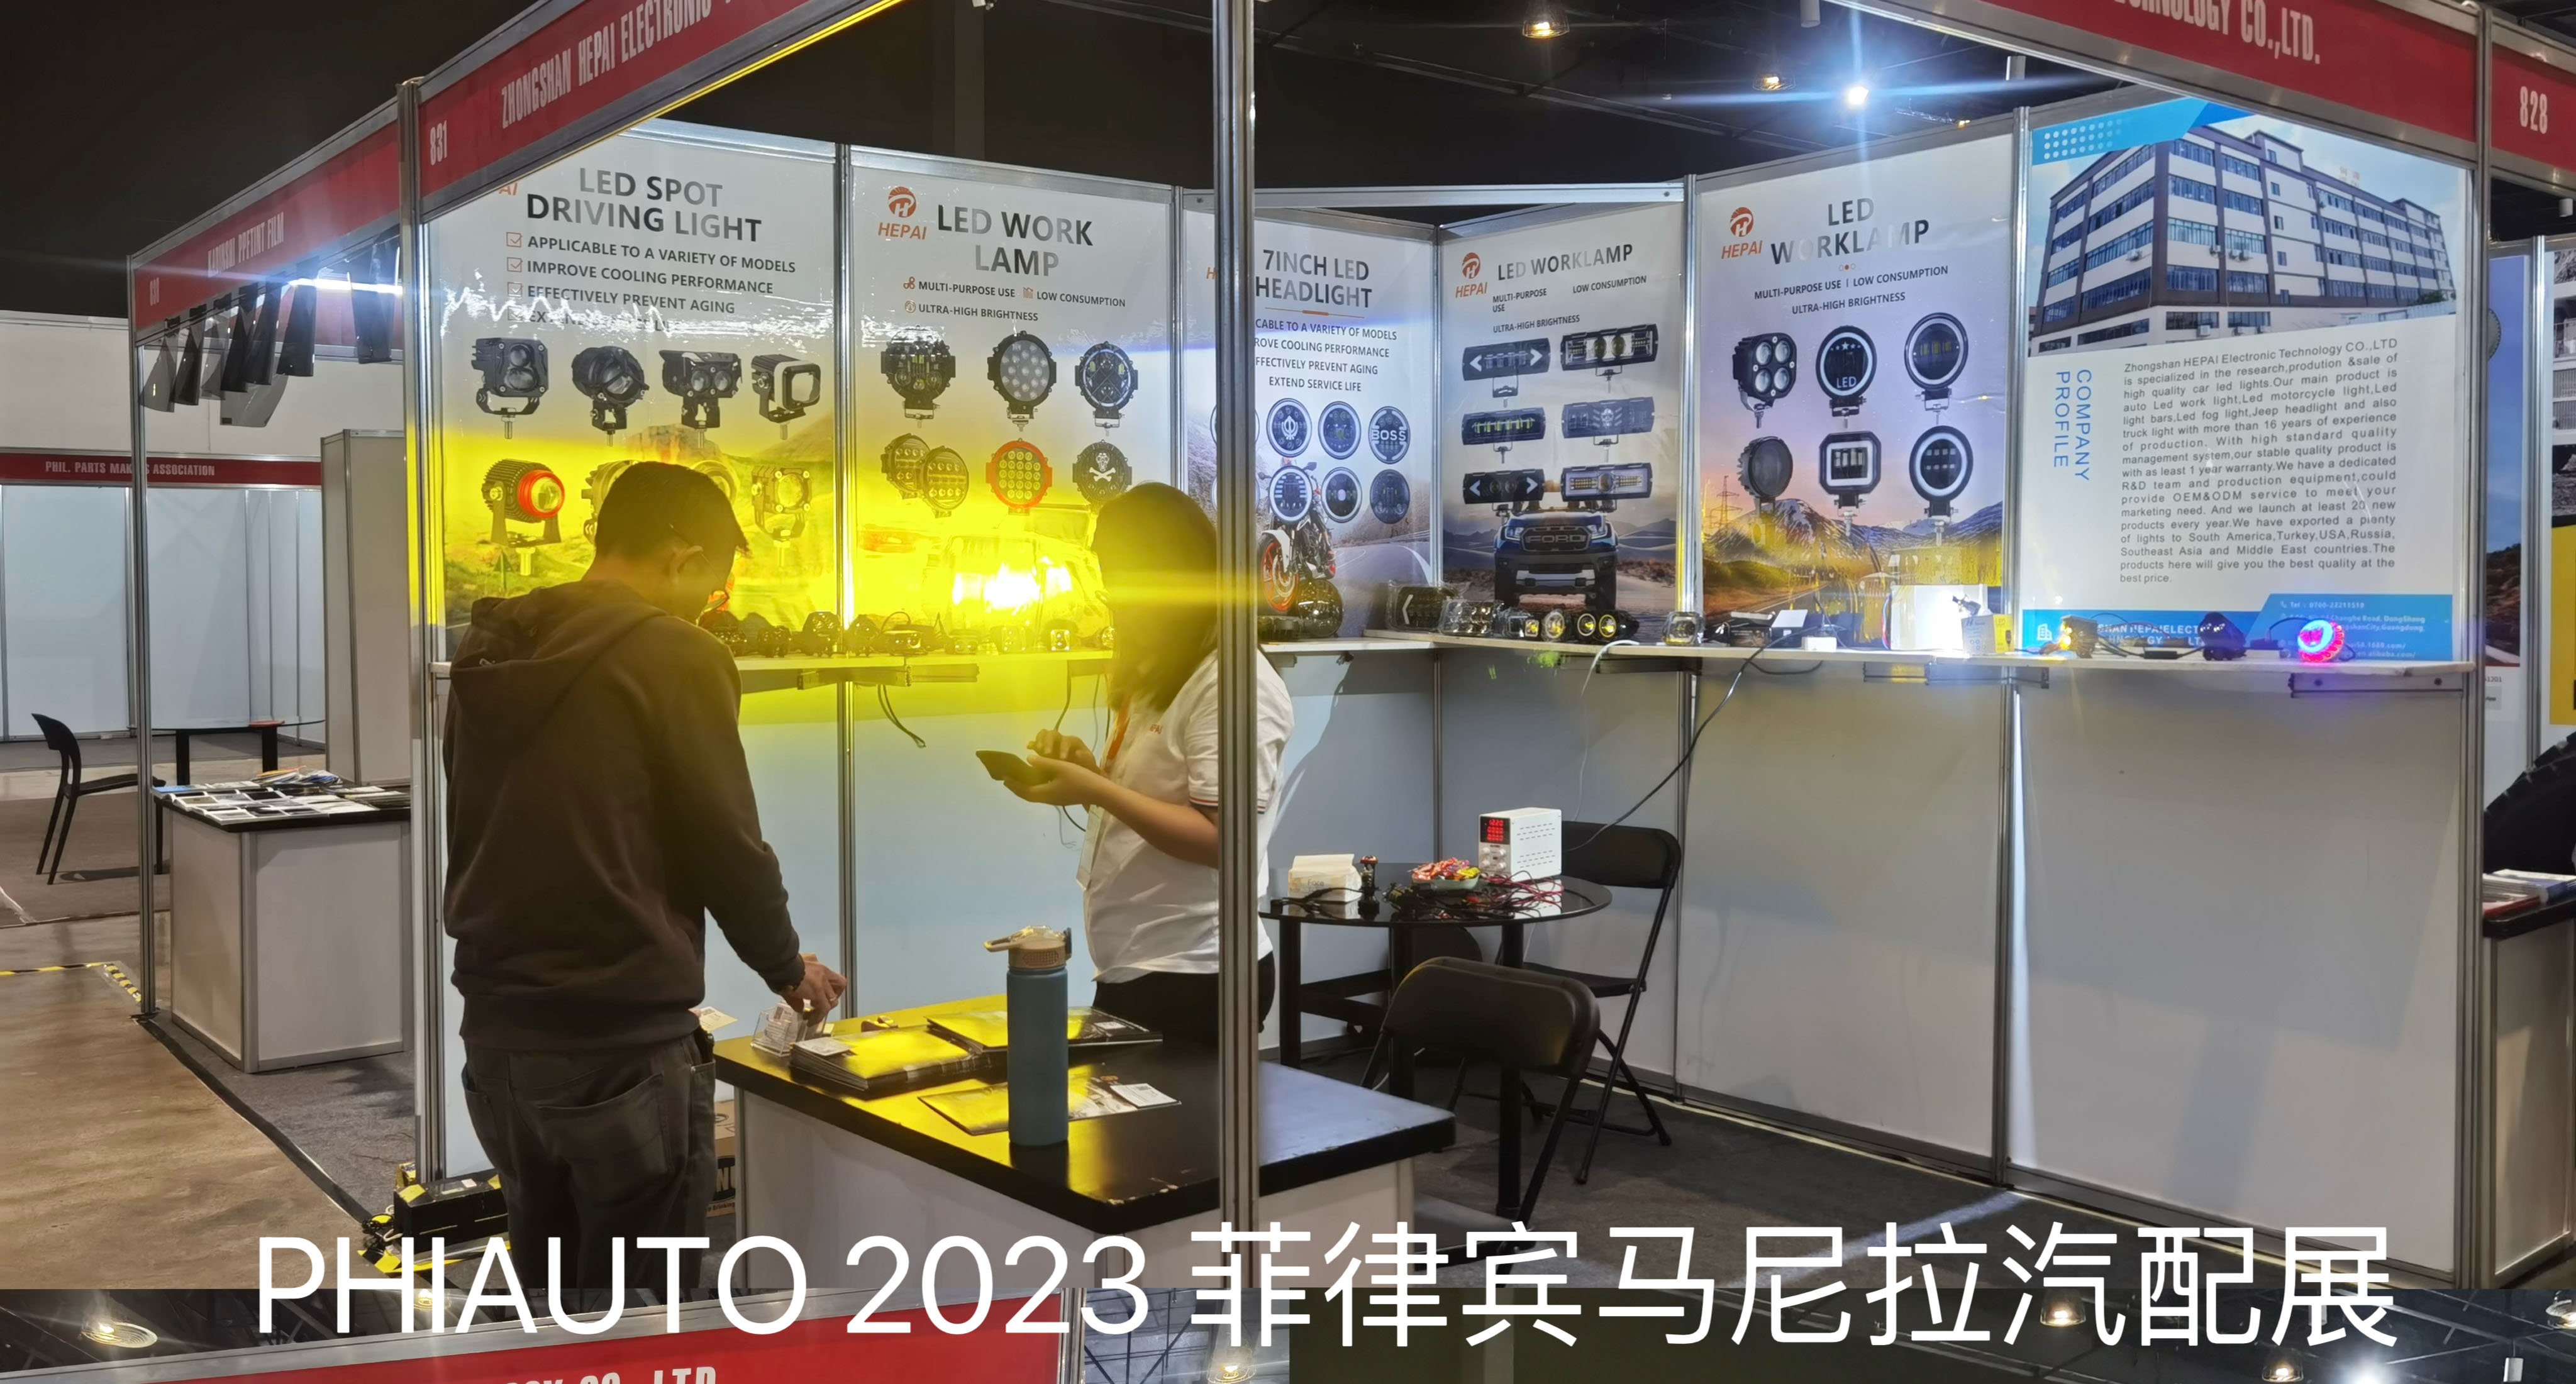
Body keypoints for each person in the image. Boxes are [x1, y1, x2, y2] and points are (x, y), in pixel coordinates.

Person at [444, 460, 845, 1295]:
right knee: (643, 1308)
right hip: (617, 1042)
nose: (711, 605)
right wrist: (787, 966)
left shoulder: (495, 643)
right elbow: (725, 842)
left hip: (497, 1035)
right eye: (713, 584)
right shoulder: (675, 653)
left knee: (548, 1289)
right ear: (680, 554)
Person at [1000, 482, 1291, 1045]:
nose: (1114, 596)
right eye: (1107, 575)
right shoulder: (1164, 669)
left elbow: (1223, 842)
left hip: (1198, 971)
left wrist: (1097, 790)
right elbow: (1159, 796)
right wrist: (1091, 774)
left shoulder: (1232, 682)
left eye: (1123, 574)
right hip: (1138, 965)